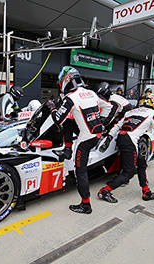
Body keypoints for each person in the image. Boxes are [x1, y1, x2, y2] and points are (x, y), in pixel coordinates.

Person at [46, 66, 106, 214]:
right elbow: (109, 107)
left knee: (81, 172)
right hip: (97, 134)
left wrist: (52, 107)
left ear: (65, 80)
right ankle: (67, 149)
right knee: (68, 121)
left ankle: (86, 205)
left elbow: (57, 119)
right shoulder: (91, 93)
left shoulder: (71, 98)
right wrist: (101, 123)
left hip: (85, 140)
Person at [98, 93, 154, 203]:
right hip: (130, 141)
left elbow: (117, 126)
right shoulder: (152, 113)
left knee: (141, 164)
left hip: (122, 138)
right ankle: (105, 191)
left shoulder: (130, 112)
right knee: (129, 173)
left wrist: (108, 138)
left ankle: (146, 192)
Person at [54, 81, 113, 162]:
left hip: (94, 131)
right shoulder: (91, 95)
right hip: (89, 126)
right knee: (67, 122)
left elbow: (110, 108)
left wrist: (102, 122)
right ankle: (68, 149)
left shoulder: (110, 100)